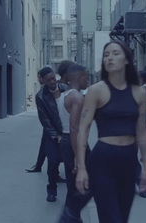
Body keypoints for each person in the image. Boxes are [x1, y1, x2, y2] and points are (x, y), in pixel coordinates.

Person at [75, 40, 146, 223]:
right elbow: (83, 129)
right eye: (107, 54)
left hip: (129, 161)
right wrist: (81, 168)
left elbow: (142, 133)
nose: (110, 58)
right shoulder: (96, 91)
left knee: (122, 218)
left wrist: (145, 168)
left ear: (126, 60)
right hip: (103, 161)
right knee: (111, 219)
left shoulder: (140, 92)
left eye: (115, 53)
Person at [57, 64, 92, 222]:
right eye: (86, 76)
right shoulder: (77, 97)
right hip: (74, 143)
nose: (88, 80)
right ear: (79, 77)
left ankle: (71, 217)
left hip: (66, 141)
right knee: (88, 181)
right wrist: (79, 157)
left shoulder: (64, 95)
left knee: (73, 185)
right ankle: (69, 216)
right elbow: (74, 128)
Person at [36, 67, 67, 202]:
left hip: (69, 131)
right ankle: (51, 190)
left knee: (74, 161)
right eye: (49, 80)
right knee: (53, 162)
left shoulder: (66, 88)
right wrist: (57, 136)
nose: (53, 82)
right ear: (43, 81)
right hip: (53, 134)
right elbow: (45, 120)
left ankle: (75, 192)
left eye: (53, 78)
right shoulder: (41, 96)